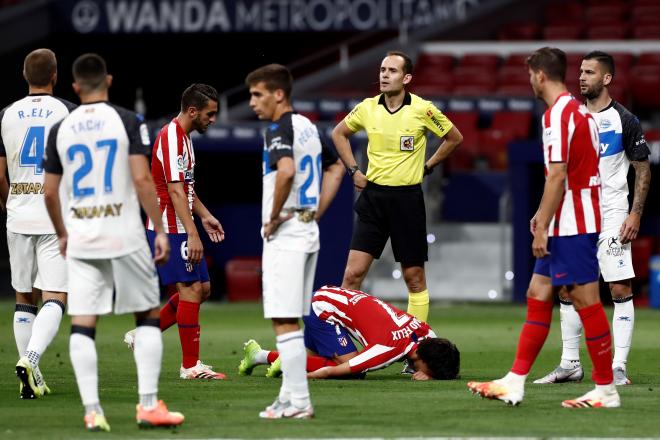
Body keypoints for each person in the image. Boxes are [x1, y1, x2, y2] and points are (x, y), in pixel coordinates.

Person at [467, 47, 620, 408]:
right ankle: (515, 381)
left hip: (573, 223)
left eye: (529, 76)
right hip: (571, 217)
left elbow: (557, 174)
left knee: (586, 299)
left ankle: (606, 389)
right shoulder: (580, 114)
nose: (529, 83)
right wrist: (541, 213)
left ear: (539, 75)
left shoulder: (557, 116)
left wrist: (542, 227)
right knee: (538, 292)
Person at [43, 53, 184, 431]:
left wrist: (61, 232)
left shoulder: (61, 128)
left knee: (83, 324)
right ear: (108, 81)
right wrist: (160, 228)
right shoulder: (128, 121)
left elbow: (50, 194)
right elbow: (141, 180)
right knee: (148, 316)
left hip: (83, 238)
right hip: (124, 234)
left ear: (74, 87)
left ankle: (92, 411)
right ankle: (149, 406)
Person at [534, 51, 651, 387]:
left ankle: (618, 367)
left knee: (618, 286)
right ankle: (570, 364)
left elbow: (643, 168)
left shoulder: (624, 120)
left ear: (607, 78)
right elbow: (557, 171)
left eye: (590, 72)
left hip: (613, 211)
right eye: (580, 72)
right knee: (568, 288)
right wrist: (545, 212)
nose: (582, 77)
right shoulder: (571, 117)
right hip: (574, 211)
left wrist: (635, 213)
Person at [331, 50, 463, 328]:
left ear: (407, 77)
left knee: (414, 277)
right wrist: (354, 170)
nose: (384, 75)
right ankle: (341, 344)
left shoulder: (423, 109)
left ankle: (415, 348)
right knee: (352, 275)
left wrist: (429, 165)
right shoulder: (367, 107)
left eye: (391, 71)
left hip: (407, 200)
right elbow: (338, 133)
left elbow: (454, 137)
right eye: (382, 70)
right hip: (373, 199)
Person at [246, 63, 336, 419]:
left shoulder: (278, 128)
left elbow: (285, 171)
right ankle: (287, 397)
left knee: (282, 321)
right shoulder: (308, 127)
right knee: (290, 322)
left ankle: (300, 402)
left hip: (286, 233)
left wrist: (274, 216)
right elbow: (336, 166)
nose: (253, 102)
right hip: (307, 229)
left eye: (257, 94)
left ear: (278, 94)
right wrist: (314, 210)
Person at [125, 84, 226, 380]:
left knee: (202, 290)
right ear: (192, 111)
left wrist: (205, 216)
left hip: (182, 223)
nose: (213, 119)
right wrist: (192, 233)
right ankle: (190, 366)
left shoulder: (185, 138)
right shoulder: (170, 136)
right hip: (170, 226)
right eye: (210, 114)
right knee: (190, 290)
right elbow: (173, 190)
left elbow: (186, 188)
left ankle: (143, 335)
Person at [0, 48, 75, 399]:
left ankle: (31, 378)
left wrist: (9, 203)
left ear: (24, 75)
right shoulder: (67, 112)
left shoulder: (5, 114)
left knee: (23, 296)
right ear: (55, 75)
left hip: (17, 213)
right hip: (53, 213)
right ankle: (30, 360)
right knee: (56, 296)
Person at [238, 286, 460, 381]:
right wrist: (303, 374)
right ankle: (285, 360)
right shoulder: (386, 349)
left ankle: (259, 356)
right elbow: (344, 369)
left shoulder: (427, 333)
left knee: (318, 358)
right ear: (420, 359)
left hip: (333, 299)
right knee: (351, 371)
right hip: (322, 310)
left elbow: (438, 352)